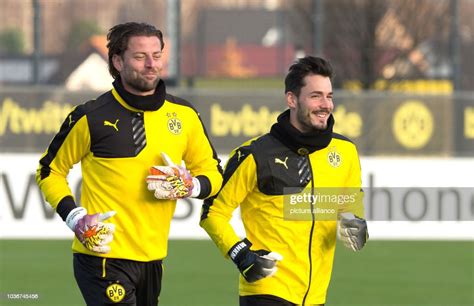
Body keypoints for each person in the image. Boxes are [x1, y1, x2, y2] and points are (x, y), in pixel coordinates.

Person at [36, 22, 223, 306]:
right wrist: (74, 218)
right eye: (140, 56)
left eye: (157, 55)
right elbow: (49, 171)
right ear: (118, 61)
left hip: (153, 259)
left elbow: (214, 174)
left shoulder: (185, 115)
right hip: (102, 256)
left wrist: (191, 185)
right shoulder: (91, 116)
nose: (151, 64)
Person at [200, 56, 368, 306]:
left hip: (316, 296)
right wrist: (241, 255)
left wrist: (357, 225)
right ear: (292, 99)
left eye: (329, 96)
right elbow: (212, 212)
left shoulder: (345, 151)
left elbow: (349, 208)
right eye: (315, 96)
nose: (325, 105)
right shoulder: (254, 154)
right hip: (267, 291)